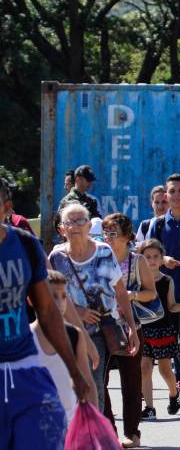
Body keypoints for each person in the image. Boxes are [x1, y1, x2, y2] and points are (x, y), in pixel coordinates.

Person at [1, 183, 91, 449]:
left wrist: (74, 371)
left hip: (26, 370)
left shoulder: (25, 245)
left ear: (7, 208)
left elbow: (48, 309)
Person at [47, 203, 140, 417]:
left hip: (101, 330)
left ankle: (96, 435)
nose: (76, 225)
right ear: (62, 229)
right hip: (69, 331)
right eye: (70, 221)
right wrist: (77, 311)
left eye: (81, 220)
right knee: (71, 386)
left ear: (89, 226)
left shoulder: (104, 252)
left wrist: (132, 329)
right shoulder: (56, 257)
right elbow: (51, 295)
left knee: (95, 383)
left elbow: (120, 291)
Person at [101, 213, 157, 447]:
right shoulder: (99, 257)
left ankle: (132, 432)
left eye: (113, 233)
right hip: (101, 326)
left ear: (126, 236)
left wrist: (129, 296)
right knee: (99, 382)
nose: (107, 238)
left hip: (129, 327)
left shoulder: (137, 261)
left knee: (130, 382)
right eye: (105, 233)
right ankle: (109, 431)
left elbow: (151, 292)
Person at [150, 173, 180, 407]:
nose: (177, 195)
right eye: (172, 191)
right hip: (164, 292)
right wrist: (163, 259)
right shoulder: (159, 224)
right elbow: (146, 256)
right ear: (166, 195)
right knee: (171, 342)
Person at [31, 270, 98, 424]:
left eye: (64, 296)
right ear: (32, 299)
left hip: (69, 423)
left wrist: (94, 420)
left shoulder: (75, 335)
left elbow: (88, 381)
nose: (60, 302)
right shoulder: (26, 337)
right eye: (53, 296)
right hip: (34, 423)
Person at [137, 239, 180, 420]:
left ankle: (173, 393)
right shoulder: (135, 280)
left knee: (164, 369)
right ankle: (150, 407)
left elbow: (171, 306)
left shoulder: (166, 280)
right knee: (144, 368)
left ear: (162, 259)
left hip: (163, 329)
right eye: (147, 257)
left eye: (155, 257)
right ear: (140, 259)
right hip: (142, 328)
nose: (151, 260)